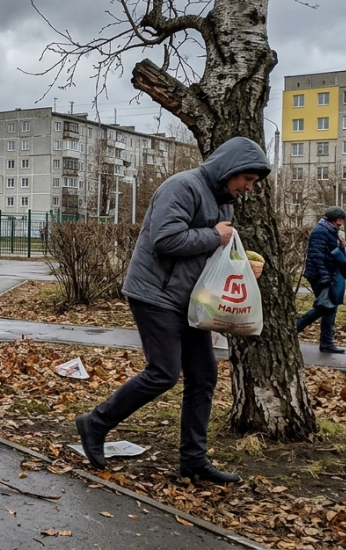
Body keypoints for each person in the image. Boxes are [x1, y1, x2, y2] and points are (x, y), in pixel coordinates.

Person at [75, 136, 271, 485]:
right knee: (164, 372)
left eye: (253, 183)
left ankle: (193, 460)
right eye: (248, 179)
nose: (248, 187)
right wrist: (215, 237)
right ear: (231, 169)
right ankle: (95, 423)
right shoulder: (182, 186)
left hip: (193, 300)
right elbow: (165, 240)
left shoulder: (223, 201)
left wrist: (240, 263)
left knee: (204, 376)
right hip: (155, 294)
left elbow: (212, 245)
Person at [297, 206, 346, 354]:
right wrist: (325, 276)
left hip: (328, 274)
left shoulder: (331, 232)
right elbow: (316, 256)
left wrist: (340, 246)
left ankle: (326, 342)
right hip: (319, 275)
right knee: (325, 306)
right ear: (332, 220)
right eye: (338, 223)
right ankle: (294, 329)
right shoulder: (320, 232)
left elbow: (330, 254)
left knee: (330, 308)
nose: (340, 225)